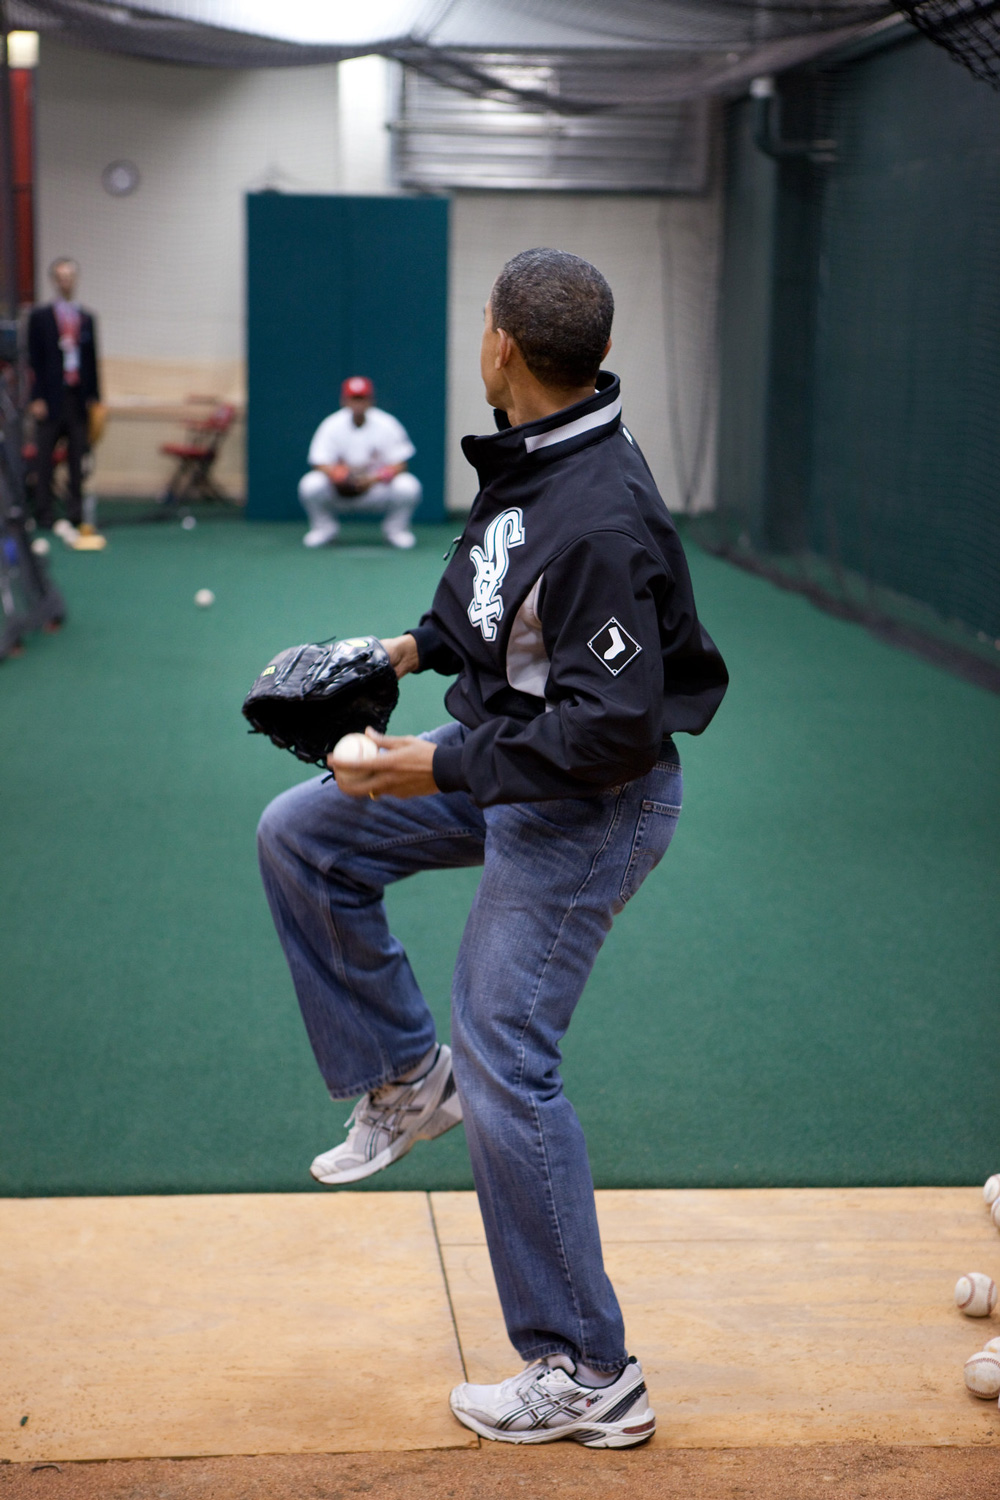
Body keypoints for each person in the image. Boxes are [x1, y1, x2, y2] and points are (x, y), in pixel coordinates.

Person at [257, 249, 729, 1447]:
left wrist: (417, 761)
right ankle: (407, 1080)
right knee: (304, 836)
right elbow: (474, 607)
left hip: (589, 806)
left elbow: (612, 734)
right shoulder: (538, 454)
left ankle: (587, 1370)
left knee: (509, 1054)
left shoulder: (598, 513)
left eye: (481, 324)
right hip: (510, 768)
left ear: (502, 347)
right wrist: (389, 662)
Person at [298, 376, 422, 550]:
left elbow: (401, 463)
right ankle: (324, 529)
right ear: (344, 400)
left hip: (375, 488)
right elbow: (319, 461)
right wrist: (338, 474)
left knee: (408, 485)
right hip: (340, 489)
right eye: (354, 398)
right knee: (311, 484)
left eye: (362, 398)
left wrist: (374, 478)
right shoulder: (332, 425)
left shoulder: (387, 424)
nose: (358, 403)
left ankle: (396, 530)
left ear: (371, 400)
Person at [27, 258, 101, 538]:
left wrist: (95, 397)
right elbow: (33, 361)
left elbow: (92, 361)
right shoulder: (40, 318)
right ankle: (44, 513)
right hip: (49, 398)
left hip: (77, 399)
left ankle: (75, 513)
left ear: (76, 279)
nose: (66, 280)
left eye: (70, 275)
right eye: (61, 276)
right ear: (54, 281)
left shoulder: (86, 318)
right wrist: (36, 398)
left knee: (76, 459)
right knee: (44, 459)